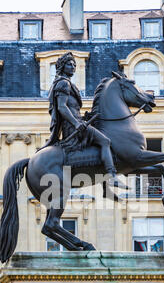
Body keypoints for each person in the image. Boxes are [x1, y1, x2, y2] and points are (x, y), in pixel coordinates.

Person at [44, 52, 128, 189]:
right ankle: (112, 177)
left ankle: (105, 186)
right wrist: (77, 123)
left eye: (74, 65)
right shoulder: (63, 83)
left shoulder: (67, 83)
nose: (72, 67)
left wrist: (84, 118)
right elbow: (62, 107)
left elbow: (71, 109)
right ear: (62, 66)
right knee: (105, 141)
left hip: (77, 122)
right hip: (72, 126)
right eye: (69, 64)